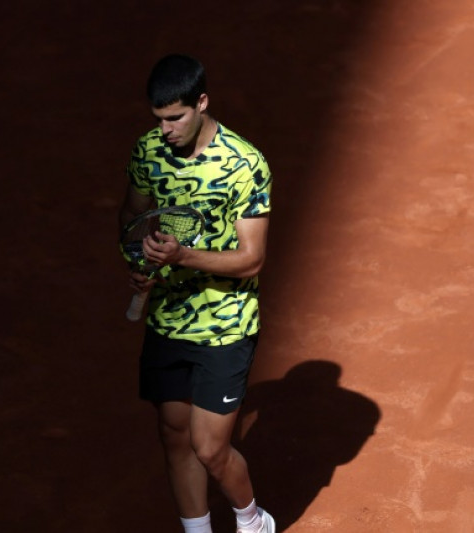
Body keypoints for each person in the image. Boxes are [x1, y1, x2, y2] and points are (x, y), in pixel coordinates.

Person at [118, 54, 274, 533]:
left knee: (209, 447)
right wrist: (138, 261)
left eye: (175, 118)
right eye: (158, 119)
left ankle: (252, 521)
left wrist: (182, 257)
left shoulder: (246, 165)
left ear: (202, 103)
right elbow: (131, 217)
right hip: (167, 321)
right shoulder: (148, 151)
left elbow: (251, 258)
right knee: (174, 436)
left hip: (225, 326)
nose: (165, 130)